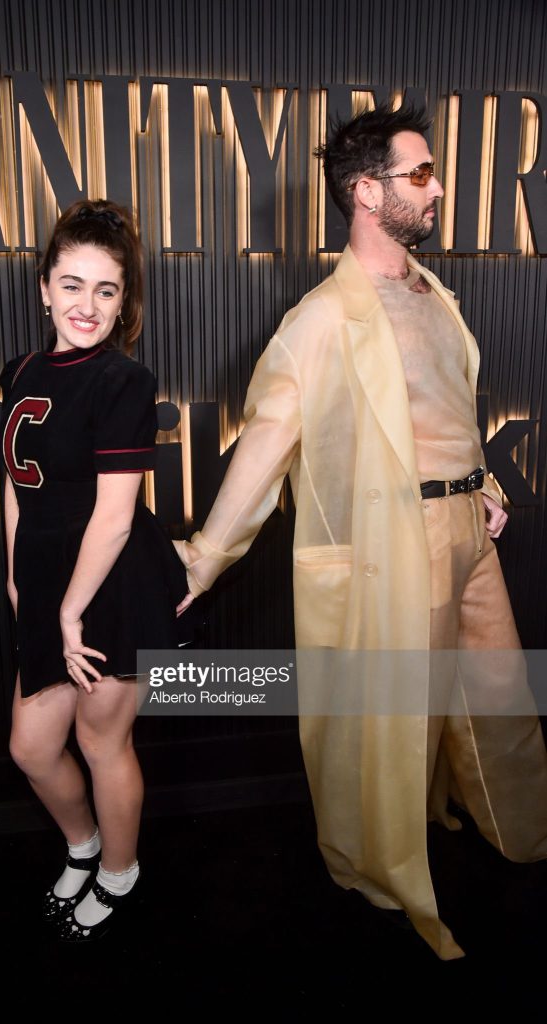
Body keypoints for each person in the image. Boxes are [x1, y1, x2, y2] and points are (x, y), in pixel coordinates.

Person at [174, 103, 547, 959]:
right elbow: (265, 447)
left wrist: (482, 483)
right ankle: (382, 870)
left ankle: (518, 832)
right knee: (394, 724)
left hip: (467, 534)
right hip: (397, 546)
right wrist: (200, 559)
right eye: (420, 174)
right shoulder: (317, 321)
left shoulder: (433, 294)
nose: (438, 187)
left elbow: (446, 410)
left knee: (496, 697)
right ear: (364, 193)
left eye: (431, 171)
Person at [0, 198, 188, 943]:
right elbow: (17, 486)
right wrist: (21, 582)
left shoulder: (123, 383)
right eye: (72, 285)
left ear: (123, 303)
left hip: (111, 586)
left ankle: (119, 870)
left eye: (106, 290)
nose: (87, 304)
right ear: (44, 287)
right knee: (32, 747)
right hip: (50, 585)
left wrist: (70, 611)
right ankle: (82, 848)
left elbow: (114, 518)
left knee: (101, 740)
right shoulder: (19, 370)